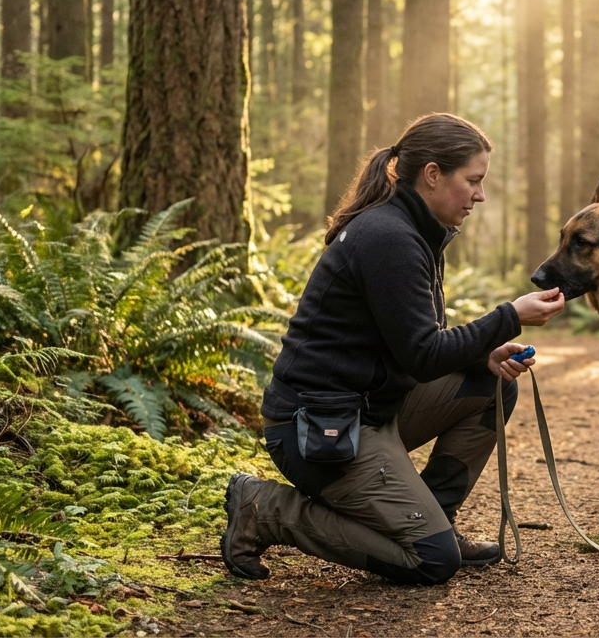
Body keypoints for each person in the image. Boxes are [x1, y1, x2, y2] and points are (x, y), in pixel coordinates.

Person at [221, 114, 565, 587]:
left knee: (490, 386)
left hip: (370, 409)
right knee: (432, 561)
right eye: (473, 181)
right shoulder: (388, 237)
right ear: (431, 174)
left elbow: (411, 343)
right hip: (317, 430)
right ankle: (266, 510)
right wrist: (510, 315)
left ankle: (434, 518)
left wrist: (480, 354)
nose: (479, 196)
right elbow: (423, 354)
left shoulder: (416, 231)